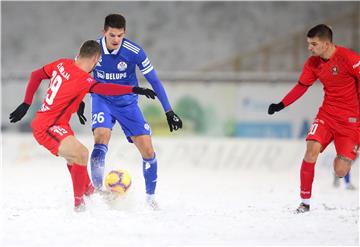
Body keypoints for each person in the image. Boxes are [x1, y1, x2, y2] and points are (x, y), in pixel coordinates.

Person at [9, 40, 156, 212]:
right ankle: (79, 205)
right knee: (81, 154)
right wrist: (134, 90)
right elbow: (107, 89)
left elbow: (36, 75)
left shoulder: (62, 63)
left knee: (76, 158)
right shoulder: (84, 80)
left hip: (58, 124)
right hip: (47, 127)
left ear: (80, 52)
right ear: (95, 59)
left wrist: (27, 103)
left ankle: (88, 191)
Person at [88, 14, 182, 209]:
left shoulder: (135, 51)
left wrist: (169, 111)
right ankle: (97, 192)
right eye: (112, 35)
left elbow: (154, 80)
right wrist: (76, 101)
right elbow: (77, 75)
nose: (115, 39)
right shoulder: (92, 50)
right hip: (101, 99)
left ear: (124, 33)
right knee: (101, 136)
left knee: (148, 149)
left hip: (127, 103)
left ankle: (150, 199)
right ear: (104, 32)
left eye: (119, 35)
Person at [268, 24, 360, 213]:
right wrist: (281, 104)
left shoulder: (350, 58)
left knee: (340, 170)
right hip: (326, 116)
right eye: (309, 44)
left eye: (314, 44)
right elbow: (302, 87)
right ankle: (305, 202)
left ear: (326, 44)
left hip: (350, 121)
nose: (310, 48)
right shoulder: (312, 63)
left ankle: (346, 158)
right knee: (311, 151)